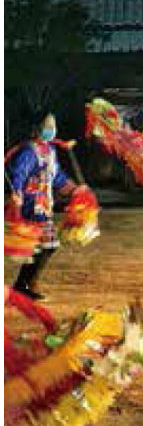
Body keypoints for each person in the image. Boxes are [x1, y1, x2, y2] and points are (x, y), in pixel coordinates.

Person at [6, 112, 77, 300]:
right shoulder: (29, 151)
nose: (51, 130)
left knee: (41, 246)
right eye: (47, 127)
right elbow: (19, 173)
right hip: (32, 204)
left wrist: (72, 188)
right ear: (38, 128)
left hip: (44, 202)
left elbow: (56, 175)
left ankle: (23, 285)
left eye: (53, 127)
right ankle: (27, 284)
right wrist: (17, 192)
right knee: (48, 244)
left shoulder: (50, 150)